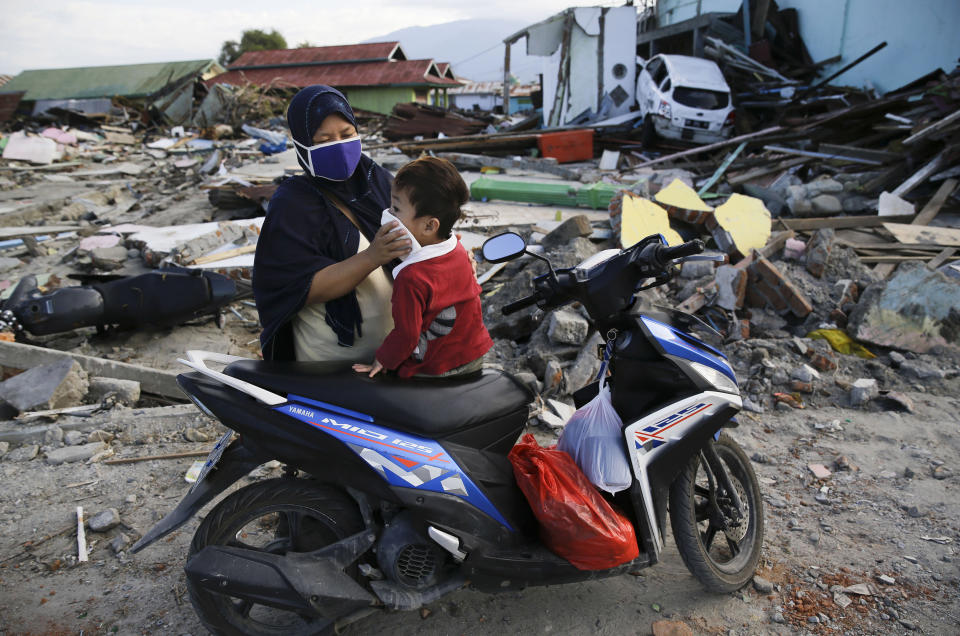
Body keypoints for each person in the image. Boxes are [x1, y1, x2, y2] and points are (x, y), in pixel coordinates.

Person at [253, 85, 411, 362]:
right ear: (302, 145)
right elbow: (297, 287)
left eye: (347, 135)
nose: (337, 146)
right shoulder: (293, 204)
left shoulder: (377, 181)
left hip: (393, 354)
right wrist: (372, 256)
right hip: (329, 365)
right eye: (323, 139)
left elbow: (417, 236)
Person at [352, 157, 493, 378]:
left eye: (396, 208)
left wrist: (382, 359)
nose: (388, 214)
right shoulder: (457, 248)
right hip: (474, 355)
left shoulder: (412, 276)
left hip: (439, 367)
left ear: (429, 225)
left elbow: (407, 335)